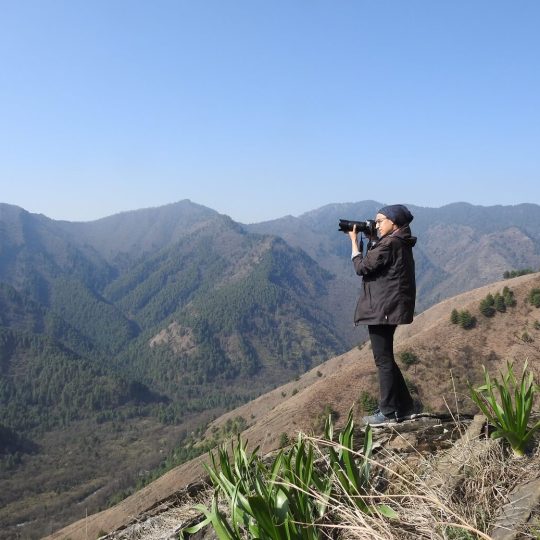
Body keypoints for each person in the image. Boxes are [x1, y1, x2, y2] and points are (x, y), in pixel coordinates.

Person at [348, 204, 418, 425]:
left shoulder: (390, 243)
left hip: (382, 309)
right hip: (390, 308)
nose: (376, 224)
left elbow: (363, 267)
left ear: (394, 222)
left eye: (380, 221)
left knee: (383, 360)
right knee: (387, 358)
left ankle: (387, 412)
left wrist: (353, 243)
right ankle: (405, 406)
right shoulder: (399, 242)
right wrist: (372, 240)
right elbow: (378, 263)